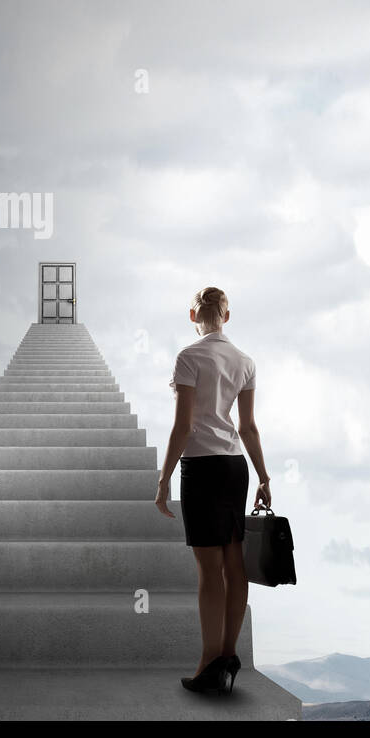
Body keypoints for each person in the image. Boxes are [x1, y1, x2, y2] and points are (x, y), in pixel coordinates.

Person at [154, 286, 271, 695]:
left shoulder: (189, 357)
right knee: (234, 564)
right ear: (227, 315)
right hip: (235, 466)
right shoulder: (245, 361)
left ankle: (208, 663)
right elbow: (248, 428)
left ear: (193, 315)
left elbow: (183, 426)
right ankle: (228, 655)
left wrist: (164, 477)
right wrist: (264, 476)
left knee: (208, 572)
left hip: (201, 467)